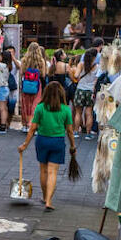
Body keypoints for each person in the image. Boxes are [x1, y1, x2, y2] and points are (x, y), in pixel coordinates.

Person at [19, 81, 77, 211]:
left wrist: (24, 145)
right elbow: (70, 131)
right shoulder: (66, 110)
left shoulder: (40, 108)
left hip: (42, 141)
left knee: (43, 170)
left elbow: (32, 129)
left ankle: (45, 196)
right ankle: (49, 201)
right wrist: (73, 146)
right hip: (58, 142)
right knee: (52, 172)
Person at [73, 40, 104, 138]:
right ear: (94, 57)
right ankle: (88, 133)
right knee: (89, 112)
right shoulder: (97, 66)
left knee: (78, 112)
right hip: (90, 91)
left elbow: (76, 75)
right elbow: (97, 79)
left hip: (80, 89)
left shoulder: (81, 64)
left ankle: (76, 132)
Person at [19, 43, 45, 126]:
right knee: (35, 104)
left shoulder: (24, 60)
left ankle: (25, 124)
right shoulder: (41, 61)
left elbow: (21, 73)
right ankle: (33, 124)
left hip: (26, 84)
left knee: (26, 104)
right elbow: (43, 74)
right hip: (37, 85)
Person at [0, 51, 12, 133]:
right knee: (4, 108)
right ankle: (4, 125)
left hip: (1, 89)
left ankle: (3, 127)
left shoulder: (2, 66)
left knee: (2, 108)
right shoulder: (5, 66)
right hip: (3, 89)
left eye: (1, 56)